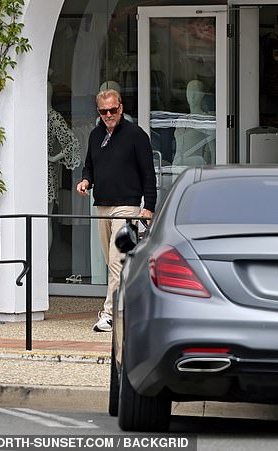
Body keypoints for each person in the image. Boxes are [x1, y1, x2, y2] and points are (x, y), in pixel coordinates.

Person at [76, 89, 157, 332]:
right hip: (102, 204)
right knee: (112, 260)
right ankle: (131, 306)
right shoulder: (95, 135)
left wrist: (149, 207)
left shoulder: (136, 135)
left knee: (117, 261)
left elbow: (148, 173)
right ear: (99, 112)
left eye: (113, 109)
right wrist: (85, 181)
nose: (109, 114)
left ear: (121, 108)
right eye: (104, 111)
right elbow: (89, 165)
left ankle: (110, 313)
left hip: (127, 206)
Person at [47, 82, 81, 249]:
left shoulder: (53, 116)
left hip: (47, 174)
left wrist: (53, 158)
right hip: (32, 174)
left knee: (44, 221)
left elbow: (72, 144)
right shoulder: (39, 115)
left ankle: (42, 264)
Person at [172, 79, 215, 166]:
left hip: (195, 167)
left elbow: (212, 149)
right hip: (177, 166)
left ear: (202, 95)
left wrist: (214, 169)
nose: (192, 96)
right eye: (189, 92)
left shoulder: (205, 119)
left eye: (195, 92)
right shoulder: (181, 120)